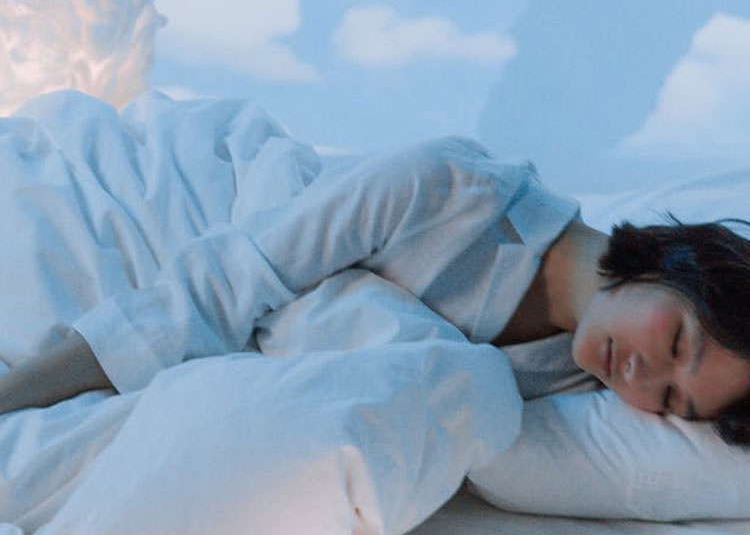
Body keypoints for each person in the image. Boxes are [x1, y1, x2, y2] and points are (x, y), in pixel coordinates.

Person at [0, 131, 749, 445]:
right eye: (677, 341)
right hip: (207, 210)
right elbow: (217, 287)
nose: (643, 377)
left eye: (674, 400)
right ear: (678, 262)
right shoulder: (452, 188)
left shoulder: (579, 377)